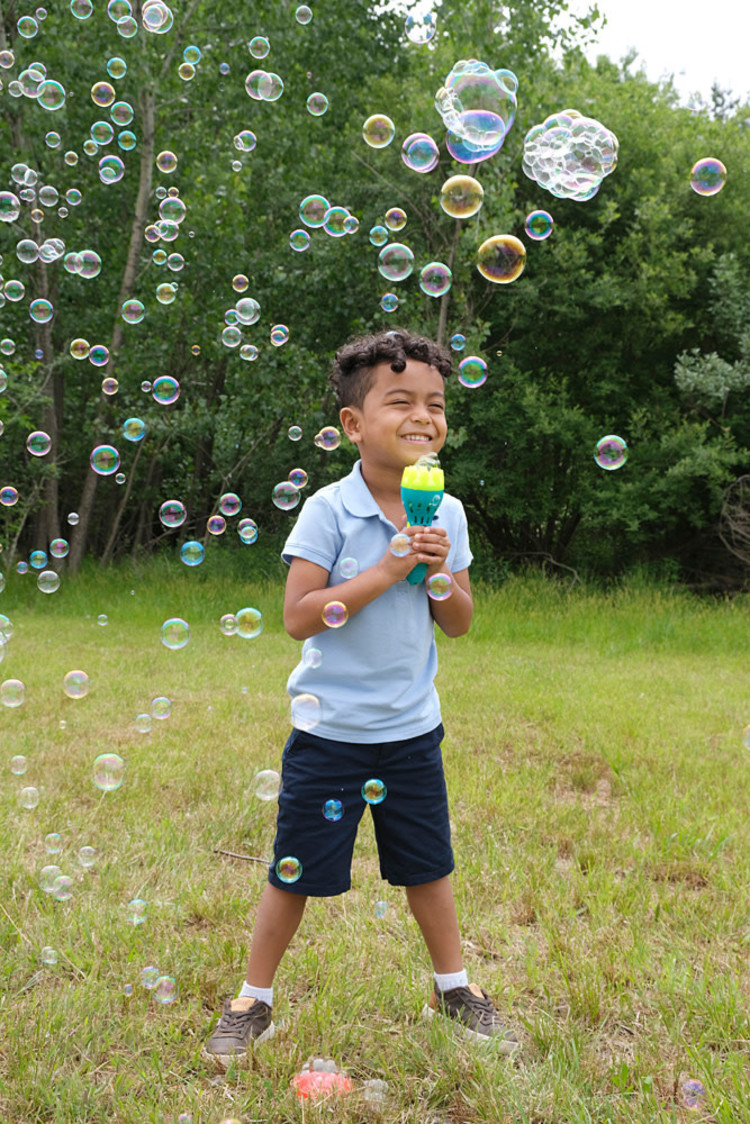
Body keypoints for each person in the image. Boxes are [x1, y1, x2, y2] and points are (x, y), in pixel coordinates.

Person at [204, 329, 519, 1064]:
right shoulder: (328, 509)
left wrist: (437, 570)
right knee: (296, 869)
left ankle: (456, 989)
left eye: (435, 405)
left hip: (412, 729)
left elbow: (462, 621)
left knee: (428, 867)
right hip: (330, 732)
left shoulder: (449, 512)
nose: (424, 417)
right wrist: (386, 568)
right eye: (401, 401)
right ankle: (254, 999)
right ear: (353, 423)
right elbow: (298, 615)